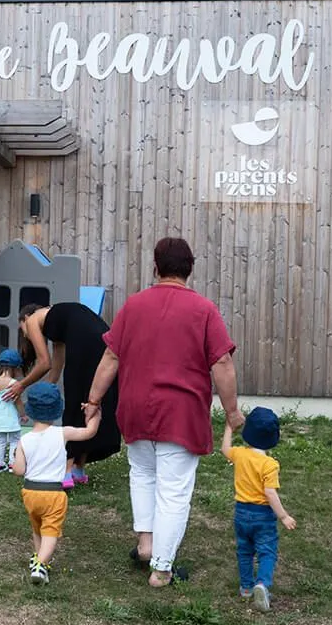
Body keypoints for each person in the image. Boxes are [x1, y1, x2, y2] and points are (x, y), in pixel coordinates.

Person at [84, 236, 245, 588]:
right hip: (181, 413)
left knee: (142, 475)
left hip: (136, 407)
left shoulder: (134, 305)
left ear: (155, 268)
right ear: (190, 269)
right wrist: (232, 412)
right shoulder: (203, 310)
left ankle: (146, 545)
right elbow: (222, 360)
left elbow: (112, 356)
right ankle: (161, 569)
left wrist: (93, 402)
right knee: (173, 490)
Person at [5, 302, 121, 489]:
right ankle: (78, 470)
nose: (25, 334)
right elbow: (57, 363)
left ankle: (66, 472)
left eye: (22, 329)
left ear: (25, 318)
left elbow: (44, 363)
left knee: (75, 403)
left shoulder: (33, 319)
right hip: (102, 343)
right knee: (87, 400)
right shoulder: (60, 321)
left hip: (87, 344)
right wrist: (47, 391)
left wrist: (21, 385)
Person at [11, 381, 99, 585]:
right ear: (58, 408)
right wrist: (96, 415)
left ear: (31, 410)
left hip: (31, 492)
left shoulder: (24, 440)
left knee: (37, 527)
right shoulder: (62, 433)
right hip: (53, 494)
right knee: (51, 530)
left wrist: (14, 464)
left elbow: (19, 470)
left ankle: (38, 558)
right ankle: (41, 565)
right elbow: (88, 433)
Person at [222, 406, 296, 612]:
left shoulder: (240, 455)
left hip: (241, 513)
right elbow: (270, 493)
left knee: (244, 550)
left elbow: (225, 449)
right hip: (262, 516)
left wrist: (229, 427)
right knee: (267, 552)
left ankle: (246, 587)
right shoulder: (269, 465)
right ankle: (262, 584)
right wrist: (283, 516)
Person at [0, 348, 27, 473]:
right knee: (14, 440)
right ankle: (13, 464)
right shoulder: (15, 383)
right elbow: (18, 402)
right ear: (15, 368)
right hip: (12, 418)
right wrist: (23, 415)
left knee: (0, 441)